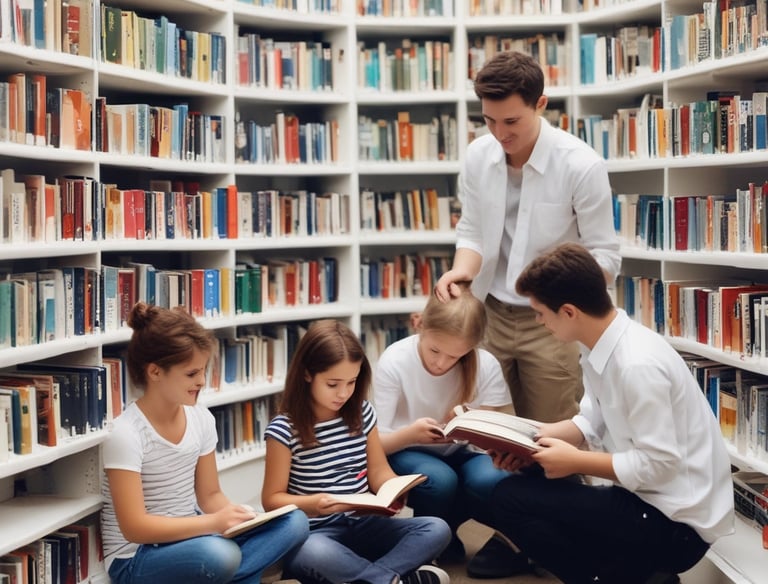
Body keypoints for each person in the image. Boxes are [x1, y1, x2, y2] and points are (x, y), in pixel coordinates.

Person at [487, 242, 735, 584]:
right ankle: (628, 574)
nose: (538, 321)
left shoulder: (636, 365)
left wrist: (574, 462)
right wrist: (528, 443)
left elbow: (659, 465)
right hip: (648, 501)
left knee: (508, 499)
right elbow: (590, 420)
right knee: (524, 481)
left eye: (541, 312)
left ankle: (610, 576)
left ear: (569, 312)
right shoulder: (601, 344)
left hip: (676, 525)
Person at [434, 50, 621, 424]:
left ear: (541, 104)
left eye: (512, 121)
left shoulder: (581, 165)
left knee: (551, 435)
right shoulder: (477, 156)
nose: (500, 133)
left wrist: (559, 286)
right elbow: (471, 230)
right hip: (489, 316)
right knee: (487, 434)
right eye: (489, 120)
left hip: (552, 322)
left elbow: (606, 256)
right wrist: (460, 272)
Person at [101, 302, 309, 584]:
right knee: (220, 555)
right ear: (155, 372)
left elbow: (210, 496)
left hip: (194, 536)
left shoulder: (201, 418)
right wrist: (211, 524)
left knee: (294, 522)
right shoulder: (126, 433)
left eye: (203, 370)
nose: (201, 381)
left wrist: (239, 516)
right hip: (137, 558)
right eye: (191, 374)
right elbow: (135, 527)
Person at [261, 319, 452, 584]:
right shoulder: (283, 429)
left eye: (351, 382)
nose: (343, 393)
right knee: (310, 553)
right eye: (333, 384)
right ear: (307, 374)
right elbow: (271, 499)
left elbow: (377, 470)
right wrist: (315, 503)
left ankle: (373, 578)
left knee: (437, 528)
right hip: (318, 532)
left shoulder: (362, 412)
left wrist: (392, 489)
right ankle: (394, 576)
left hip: (364, 524)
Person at [373, 283, 532, 577]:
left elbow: (493, 431)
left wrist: (474, 424)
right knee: (441, 480)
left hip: (463, 450)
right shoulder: (395, 360)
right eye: (435, 350)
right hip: (405, 448)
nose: (441, 363)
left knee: (492, 478)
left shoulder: (485, 364)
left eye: (455, 356)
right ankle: (427, 545)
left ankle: (451, 532)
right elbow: (375, 444)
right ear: (419, 324)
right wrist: (411, 434)